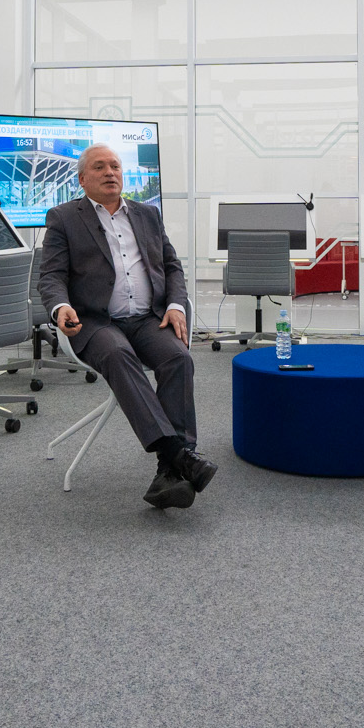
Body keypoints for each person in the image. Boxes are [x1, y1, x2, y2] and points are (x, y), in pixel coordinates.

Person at [37, 144, 216, 510]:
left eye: (115, 166)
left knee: (178, 359)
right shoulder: (63, 217)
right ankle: (179, 454)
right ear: (82, 179)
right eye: (100, 167)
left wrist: (176, 305)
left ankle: (169, 472)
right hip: (95, 321)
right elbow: (51, 276)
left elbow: (172, 267)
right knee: (118, 354)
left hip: (148, 317)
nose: (110, 172)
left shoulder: (148, 214)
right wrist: (60, 306)